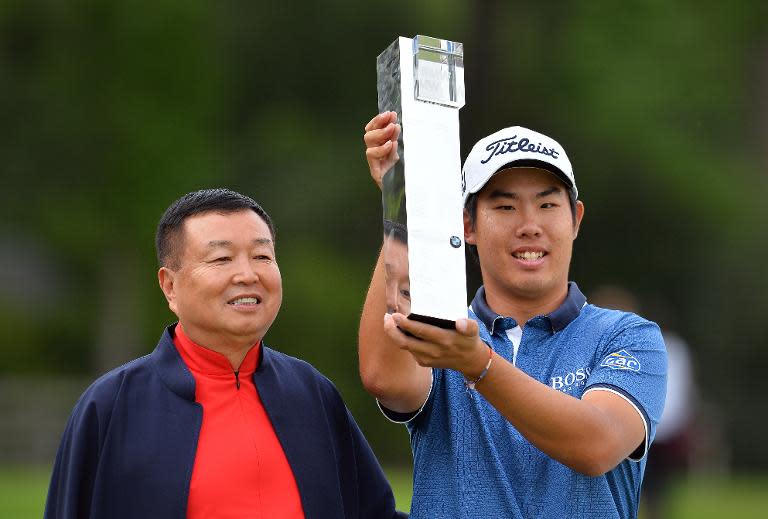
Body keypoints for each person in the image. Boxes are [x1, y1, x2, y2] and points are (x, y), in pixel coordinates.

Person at [359, 112, 667, 518]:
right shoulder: (442, 329)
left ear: (575, 219)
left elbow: (597, 444)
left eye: (547, 204)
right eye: (505, 206)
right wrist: (402, 201)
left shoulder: (627, 337)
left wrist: (478, 365)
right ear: (466, 224)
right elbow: (385, 376)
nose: (529, 225)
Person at [45, 188, 406, 519]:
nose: (247, 274)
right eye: (222, 259)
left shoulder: (312, 394)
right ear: (170, 286)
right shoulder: (110, 407)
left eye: (262, 255)